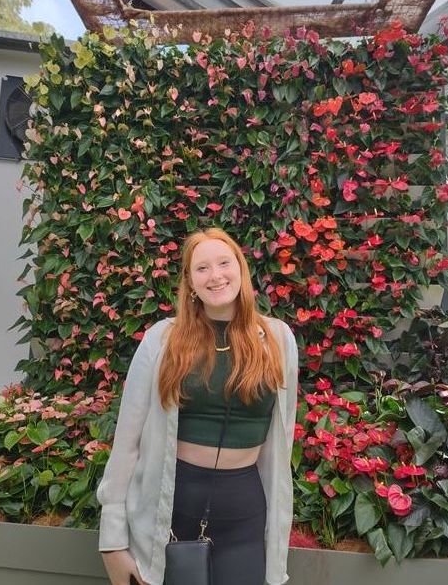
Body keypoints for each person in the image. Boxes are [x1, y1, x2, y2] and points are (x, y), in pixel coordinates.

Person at [97, 227, 298, 585]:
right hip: (174, 511)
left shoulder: (278, 339)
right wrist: (112, 541)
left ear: (240, 269)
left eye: (224, 263)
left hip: (244, 515)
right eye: (202, 268)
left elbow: (283, 438)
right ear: (190, 282)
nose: (215, 275)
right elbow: (127, 442)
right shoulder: (163, 339)